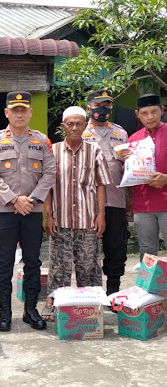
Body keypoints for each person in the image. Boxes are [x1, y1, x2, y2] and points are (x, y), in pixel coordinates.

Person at [0, 91, 55, 332]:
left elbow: (49, 173)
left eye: (24, 109)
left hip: (32, 212)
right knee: (4, 262)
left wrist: (32, 200)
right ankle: (5, 311)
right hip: (5, 212)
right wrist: (15, 200)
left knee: (33, 261)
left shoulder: (41, 141)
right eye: (15, 110)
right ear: (7, 113)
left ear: (31, 112)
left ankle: (31, 309)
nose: (20, 114)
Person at [43, 106, 112, 321]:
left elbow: (101, 185)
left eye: (79, 124)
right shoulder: (52, 152)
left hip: (87, 220)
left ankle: (91, 306)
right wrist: (48, 216)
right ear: (63, 127)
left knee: (89, 266)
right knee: (58, 266)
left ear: (85, 126)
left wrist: (101, 214)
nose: (74, 128)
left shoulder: (95, 151)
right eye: (70, 124)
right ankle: (54, 303)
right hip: (61, 220)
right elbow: (47, 187)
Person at [82, 90, 129, 296]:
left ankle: (113, 292)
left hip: (116, 200)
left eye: (107, 105)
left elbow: (128, 168)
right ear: (88, 108)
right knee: (88, 251)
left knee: (116, 247)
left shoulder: (121, 133)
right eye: (98, 105)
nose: (102, 109)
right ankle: (92, 293)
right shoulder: (80, 132)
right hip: (88, 204)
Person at [123, 94, 167, 260]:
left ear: (161, 110)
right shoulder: (134, 140)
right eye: (145, 113)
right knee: (147, 254)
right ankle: (148, 287)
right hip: (143, 205)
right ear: (137, 114)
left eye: (154, 111)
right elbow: (129, 173)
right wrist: (125, 162)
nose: (150, 117)